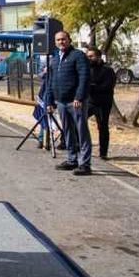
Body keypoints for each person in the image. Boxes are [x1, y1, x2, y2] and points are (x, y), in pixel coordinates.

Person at [45, 31, 92, 175]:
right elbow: (51, 81)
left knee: (81, 132)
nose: (61, 42)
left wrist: (79, 97)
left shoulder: (78, 56)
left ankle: (85, 164)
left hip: (75, 102)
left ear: (69, 40)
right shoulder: (54, 59)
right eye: (58, 40)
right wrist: (49, 100)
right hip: (61, 102)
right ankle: (72, 160)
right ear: (55, 42)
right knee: (68, 132)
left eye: (63, 39)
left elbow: (84, 77)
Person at [86, 47, 115, 160]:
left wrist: (92, 87)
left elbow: (107, 86)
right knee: (78, 122)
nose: (89, 59)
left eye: (91, 56)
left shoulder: (107, 70)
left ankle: (103, 153)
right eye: (88, 56)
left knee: (102, 127)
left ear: (98, 57)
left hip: (103, 103)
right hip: (90, 102)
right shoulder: (87, 69)